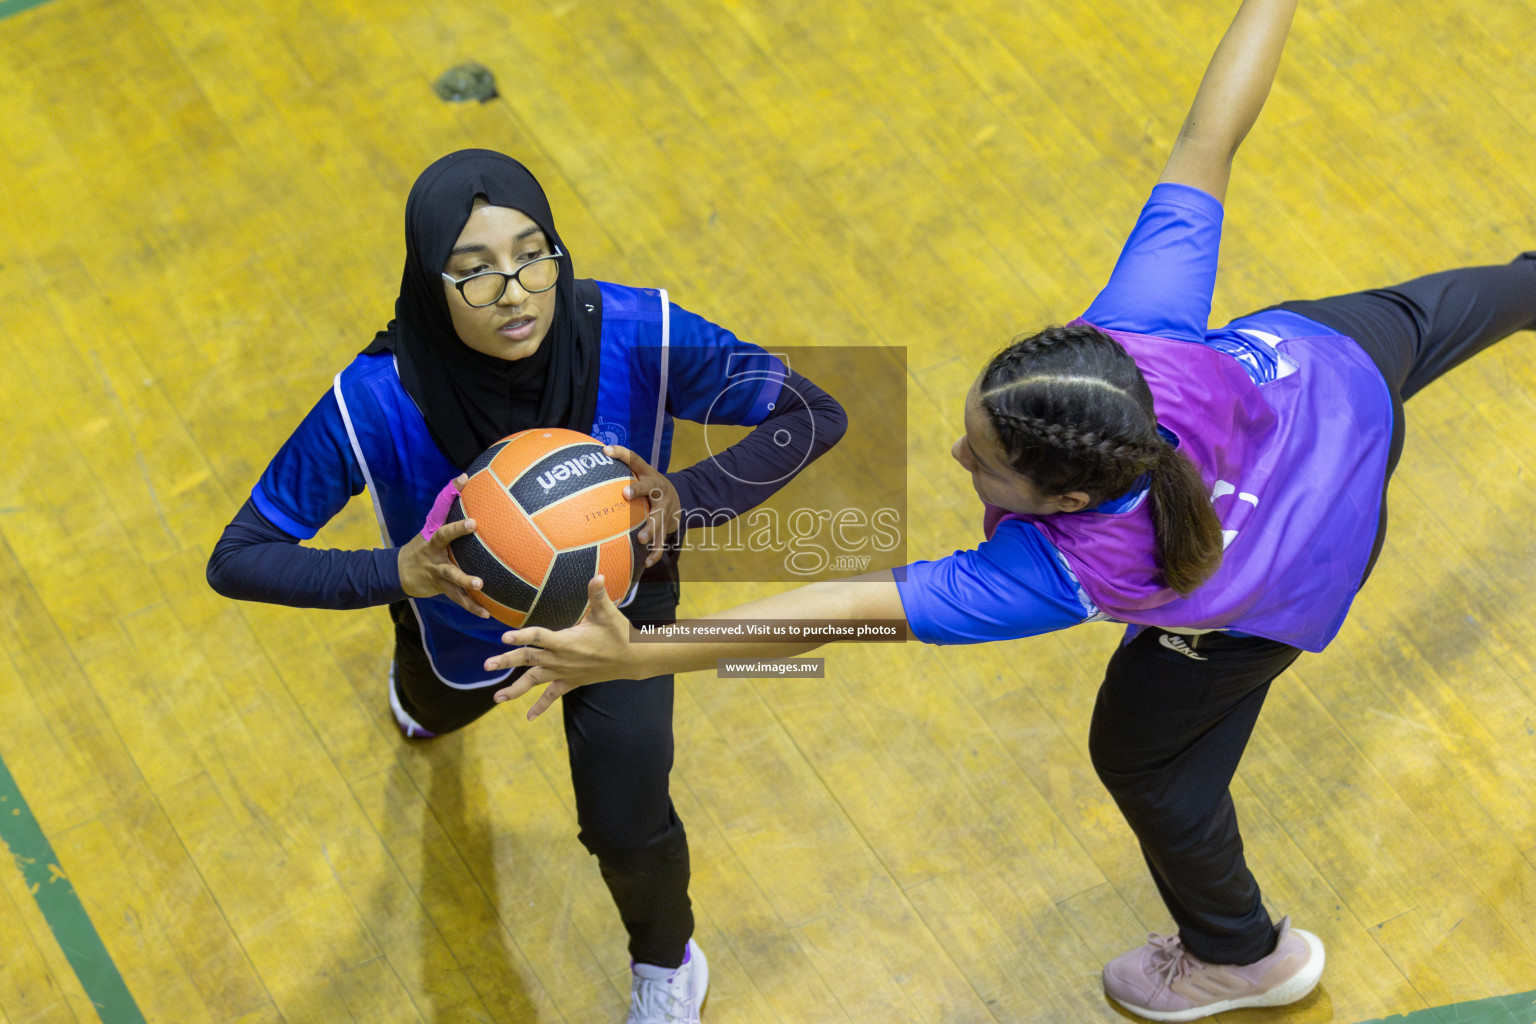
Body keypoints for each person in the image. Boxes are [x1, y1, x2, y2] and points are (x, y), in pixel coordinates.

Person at [478, 1, 1536, 1020]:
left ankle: (1241, 955)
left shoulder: (1061, 570)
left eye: (985, 468)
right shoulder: (1140, 336)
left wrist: (634, 659)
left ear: (1065, 498)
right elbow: (1212, 135)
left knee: (1144, 761)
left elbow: (834, 612)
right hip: (1334, 387)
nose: (955, 460)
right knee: (1446, 312)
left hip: (1284, 580)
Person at [206, 149, 847, 1024]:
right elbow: (238, 555)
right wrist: (397, 572)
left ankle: (667, 963)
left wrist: (682, 497)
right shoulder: (375, 395)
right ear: (430, 284)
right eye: (473, 274)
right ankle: (426, 692)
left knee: (625, 821)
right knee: (434, 704)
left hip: (620, 610)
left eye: (532, 256)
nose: (513, 291)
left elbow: (814, 410)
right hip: (459, 613)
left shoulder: (637, 327)